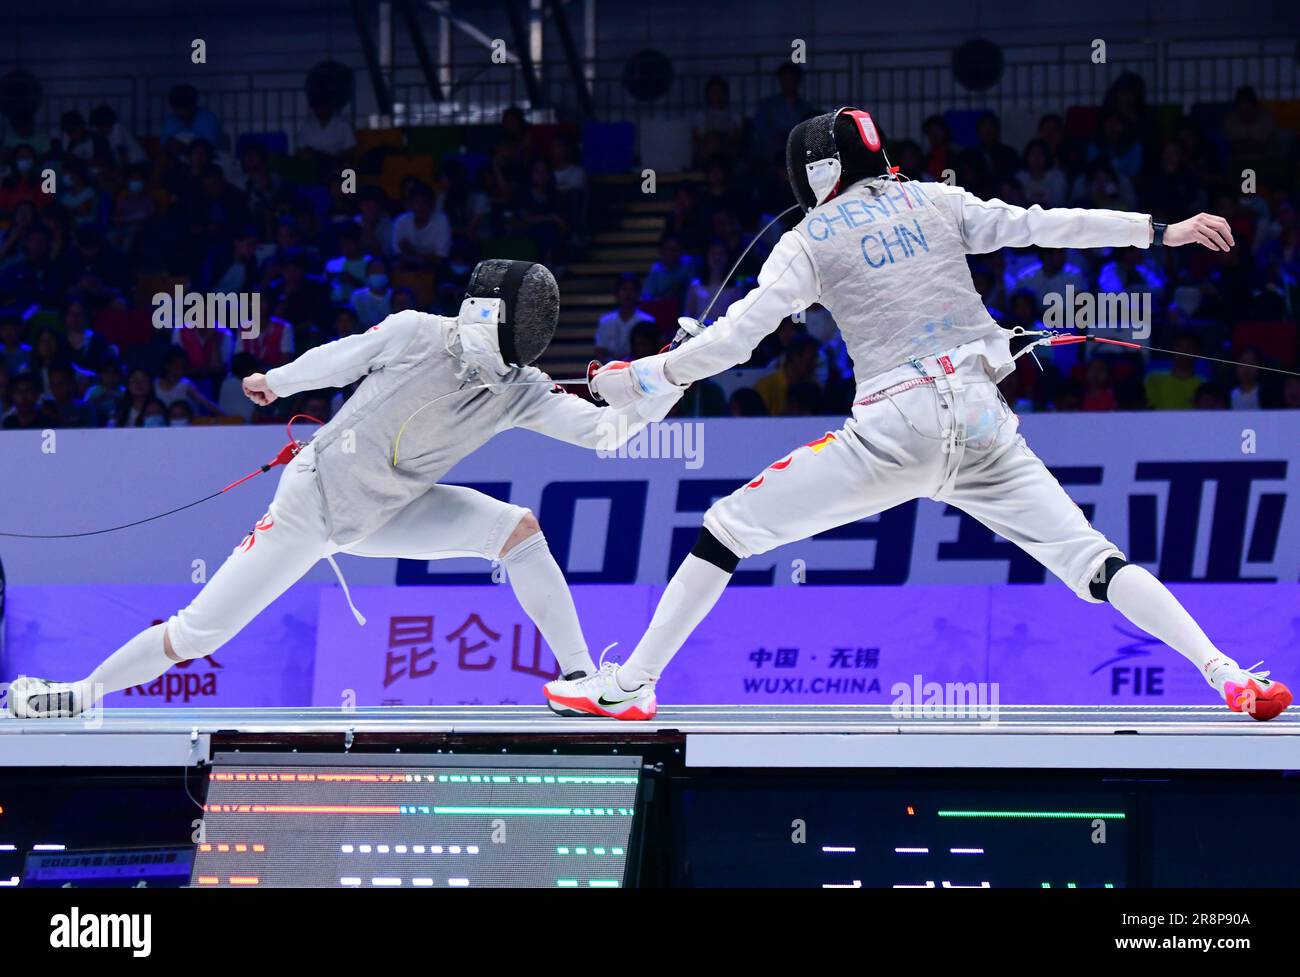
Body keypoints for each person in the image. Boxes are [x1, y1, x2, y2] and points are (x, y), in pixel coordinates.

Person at [546, 107, 1291, 723]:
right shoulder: (937, 199)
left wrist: (642, 377)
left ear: (815, 174)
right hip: (983, 420)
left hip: (895, 429)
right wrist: (1159, 229)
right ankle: (1223, 671)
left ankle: (634, 683)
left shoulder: (808, 238)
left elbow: (737, 340)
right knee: (1092, 558)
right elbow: (1041, 223)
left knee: (727, 528)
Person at [8, 261, 682, 719]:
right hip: (312, 505)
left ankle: (577, 678)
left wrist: (667, 379)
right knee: (197, 629)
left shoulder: (518, 390)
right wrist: (278, 380)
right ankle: (80, 691)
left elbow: (604, 433)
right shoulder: (417, 331)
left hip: (390, 512)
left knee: (517, 531)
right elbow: (343, 355)